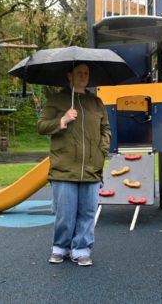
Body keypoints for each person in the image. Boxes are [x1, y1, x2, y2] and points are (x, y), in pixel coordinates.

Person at [37, 62, 111, 267]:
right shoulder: (57, 100)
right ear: (69, 75)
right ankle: (60, 247)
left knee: (87, 211)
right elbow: (41, 126)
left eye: (86, 73)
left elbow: (106, 129)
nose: (83, 76)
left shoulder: (96, 102)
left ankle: (81, 249)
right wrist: (62, 120)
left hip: (91, 167)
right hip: (64, 166)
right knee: (65, 212)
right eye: (79, 72)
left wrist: (101, 151)